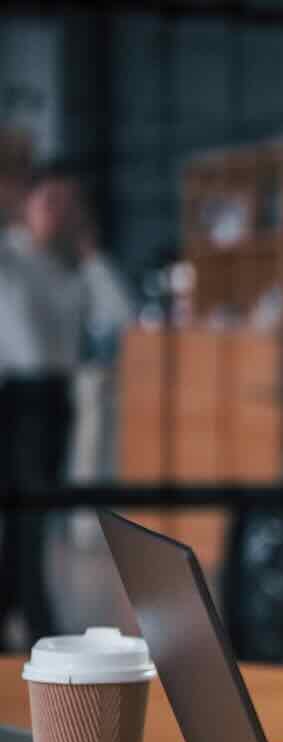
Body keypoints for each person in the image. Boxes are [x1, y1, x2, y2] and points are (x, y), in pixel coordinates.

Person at [0, 160, 132, 646]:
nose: (59, 214)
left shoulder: (74, 268)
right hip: (15, 398)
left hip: (57, 399)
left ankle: (16, 608)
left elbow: (122, 314)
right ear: (28, 205)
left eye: (69, 204)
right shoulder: (9, 256)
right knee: (24, 515)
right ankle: (35, 618)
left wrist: (90, 253)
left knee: (34, 515)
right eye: (49, 202)